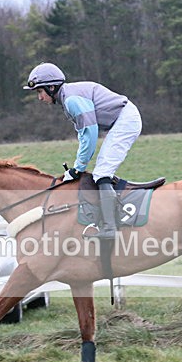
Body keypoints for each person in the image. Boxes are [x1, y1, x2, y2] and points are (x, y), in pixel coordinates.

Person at [23, 62, 142, 239]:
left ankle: (110, 229)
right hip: (120, 120)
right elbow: (83, 135)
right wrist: (77, 167)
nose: (39, 98)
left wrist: (78, 168)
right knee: (101, 171)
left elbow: (90, 134)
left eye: (40, 92)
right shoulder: (67, 98)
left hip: (126, 120)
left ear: (51, 87)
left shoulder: (72, 100)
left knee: (102, 172)